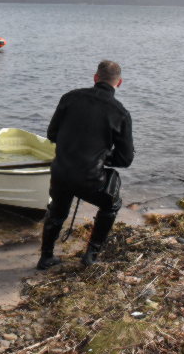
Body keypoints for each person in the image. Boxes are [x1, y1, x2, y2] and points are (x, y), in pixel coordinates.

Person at [37, 60, 135, 269]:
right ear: (119, 83)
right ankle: (91, 254)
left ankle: (45, 258)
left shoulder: (70, 98)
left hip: (61, 172)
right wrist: (104, 158)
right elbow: (125, 159)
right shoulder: (120, 113)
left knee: (56, 212)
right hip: (90, 178)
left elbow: (51, 134)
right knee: (111, 205)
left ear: (95, 78)